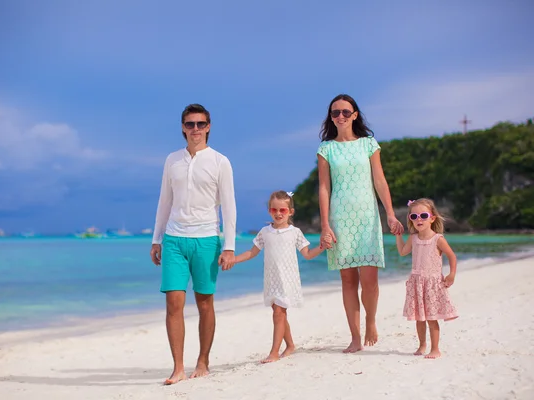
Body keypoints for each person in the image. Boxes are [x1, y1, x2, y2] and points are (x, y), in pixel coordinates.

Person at [150, 103, 236, 385]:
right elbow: (165, 200)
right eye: (190, 124)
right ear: (183, 128)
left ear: (208, 127)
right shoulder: (172, 160)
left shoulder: (220, 161)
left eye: (200, 124)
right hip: (174, 239)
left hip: (207, 240)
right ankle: (178, 367)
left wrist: (229, 246)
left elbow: (230, 207)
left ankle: (203, 361)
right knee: (173, 303)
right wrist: (156, 239)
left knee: (204, 304)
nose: (195, 129)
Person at [317, 94, 404, 353]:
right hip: (340, 219)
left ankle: (370, 320)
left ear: (355, 114)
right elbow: (323, 187)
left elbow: (379, 180)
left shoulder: (368, 144)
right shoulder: (326, 148)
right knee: (347, 281)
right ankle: (355, 337)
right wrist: (324, 225)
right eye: (335, 113)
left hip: (367, 217)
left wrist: (389, 213)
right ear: (330, 117)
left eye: (345, 112)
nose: (340, 117)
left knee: (370, 280)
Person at [225, 191, 326, 363]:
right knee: (279, 312)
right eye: (274, 210)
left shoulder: (295, 232)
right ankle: (290, 345)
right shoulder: (265, 232)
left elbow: (308, 254)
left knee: (279, 313)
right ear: (269, 211)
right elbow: (252, 252)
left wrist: (323, 247)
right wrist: (234, 259)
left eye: (283, 210)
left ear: (290, 212)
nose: (278, 214)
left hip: (287, 279)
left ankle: (274, 352)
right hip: (272, 279)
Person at [395, 198, 458, 359]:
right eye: (414, 217)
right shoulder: (413, 238)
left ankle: (435, 349)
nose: (419, 220)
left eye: (423, 215)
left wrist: (451, 274)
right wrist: (398, 236)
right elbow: (402, 252)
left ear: (432, 218)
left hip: (432, 284)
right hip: (417, 283)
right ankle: (422, 345)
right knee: (419, 318)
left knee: (431, 318)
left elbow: (452, 256)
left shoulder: (438, 239)